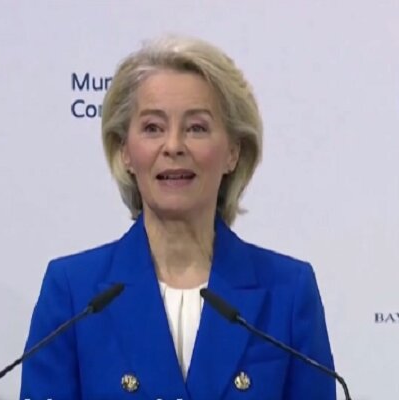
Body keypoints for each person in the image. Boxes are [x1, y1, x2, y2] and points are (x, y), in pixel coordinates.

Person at [20, 36, 336, 400]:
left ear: (233, 151)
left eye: (196, 128)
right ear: (125, 151)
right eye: (153, 128)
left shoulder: (288, 292)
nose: (173, 146)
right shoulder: (74, 293)